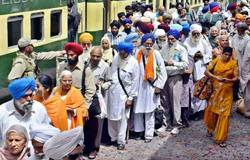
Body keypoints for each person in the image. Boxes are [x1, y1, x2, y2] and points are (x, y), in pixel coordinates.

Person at [133, 33, 167, 143]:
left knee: (149, 111)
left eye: (150, 44)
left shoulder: (156, 54)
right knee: (137, 111)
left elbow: (162, 71)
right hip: (138, 87)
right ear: (142, 43)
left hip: (150, 87)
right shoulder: (137, 53)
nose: (148, 46)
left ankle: (148, 135)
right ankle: (138, 132)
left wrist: (159, 86)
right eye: (146, 43)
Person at [204, 47, 238, 147]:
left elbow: (236, 77)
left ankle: (221, 138)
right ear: (222, 53)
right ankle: (210, 128)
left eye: (229, 55)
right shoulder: (216, 60)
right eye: (225, 54)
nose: (227, 57)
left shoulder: (233, 63)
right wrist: (215, 77)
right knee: (213, 111)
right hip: (216, 91)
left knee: (225, 114)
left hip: (227, 92)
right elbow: (206, 72)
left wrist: (230, 80)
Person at [107, 41, 139, 150]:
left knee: (123, 118)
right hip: (112, 92)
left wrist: (131, 98)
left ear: (128, 52)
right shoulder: (116, 58)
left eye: (124, 52)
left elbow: (135, 81)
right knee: (111, 116)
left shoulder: (134, 63)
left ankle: (121, 140)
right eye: (120, 51)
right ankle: (113, 137)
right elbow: (112, 74)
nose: (121, 53)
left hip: (125, 93)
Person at [0, 78, 50, 144]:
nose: (29, 99)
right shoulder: (2, 111)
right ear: (16, 97)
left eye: (31, 95)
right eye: (25, 96)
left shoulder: (39, 109)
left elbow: (47, 133)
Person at [160, 29, 188, 134]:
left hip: (175, 77)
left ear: (176, 39)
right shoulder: (164, 48)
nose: (170, 40)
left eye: (173, 39)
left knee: (175, 102)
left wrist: (174, 63)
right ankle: (166, 123)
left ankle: (177, 124)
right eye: (169, 38)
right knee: (164, 101)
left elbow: (185, 64)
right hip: (164, 77)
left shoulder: (181, 49)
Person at [184, 24, 212, 119]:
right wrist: (193, 58)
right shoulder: (186, 43)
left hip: (201, 69)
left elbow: (210, 54)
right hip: (191, 70)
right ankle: (193, 111)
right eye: (194, 33)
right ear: (191, 33)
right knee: (192, 91)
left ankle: (200, 111)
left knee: (201, 89)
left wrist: (202, 57)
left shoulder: (203, 42)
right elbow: (184, 56)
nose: (196, 35)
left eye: (198, 33)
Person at [87, 47, 111, 156]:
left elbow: (110, 81)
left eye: (98, 56)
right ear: (90, 55)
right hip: (86, 97)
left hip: (98, 98)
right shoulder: (85, 64)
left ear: (101, 57)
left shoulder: (105, 67)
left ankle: (95, 148)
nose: (95, 58)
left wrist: (102, 86)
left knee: (97, 123)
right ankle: (86, 145)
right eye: (93, 56)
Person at [57, 42, 96, 106]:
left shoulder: (85, 69)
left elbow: (90, 90)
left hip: (79, 104)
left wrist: (85, 106)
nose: (69, 57)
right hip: (64, 104)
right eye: (68, 55)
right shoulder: (62, 67)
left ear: (77, 55)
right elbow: (58, 85)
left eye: (72, 55)